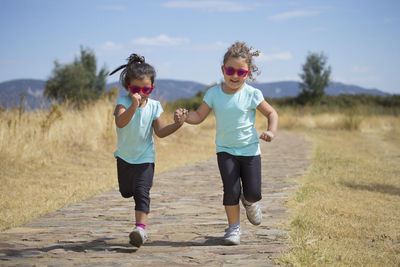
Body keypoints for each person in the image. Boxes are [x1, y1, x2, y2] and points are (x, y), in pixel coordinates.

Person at [178, 41, 278, 245]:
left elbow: (271, 113)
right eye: (230, 70)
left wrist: (271, 130)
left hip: (250, 150)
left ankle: (250, 203)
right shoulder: (214, 93)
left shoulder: (252, 94)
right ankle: (234, 229)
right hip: (226, 151)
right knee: (230, 190)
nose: (235, 76)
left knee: (253, 192)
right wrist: (184, 118)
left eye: (241, 72)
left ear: (248, 73)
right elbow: (198, 116)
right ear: (223, 69)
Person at [110, 53, 187, 248]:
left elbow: (160, 132)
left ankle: (140, 229)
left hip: (145, 158)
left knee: (141, 192)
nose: (141, 93)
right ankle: (138, 224)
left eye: (147, 89)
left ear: (152, 87)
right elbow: (120, 122)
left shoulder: (154, 106)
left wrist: (178, 124)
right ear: (128, 87)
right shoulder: (123, 102)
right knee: (127, 191)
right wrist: (134, 106)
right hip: (125, 159)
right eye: (136, 89)